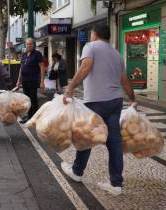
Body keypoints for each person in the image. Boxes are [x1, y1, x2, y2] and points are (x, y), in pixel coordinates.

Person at [62, 25, 135, 196]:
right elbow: (124, 79)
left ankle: (77, 171)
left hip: (96, 101)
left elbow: (85, 67)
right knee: (114, 143)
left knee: (86, 137)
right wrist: (132, 98)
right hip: (116, 101)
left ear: (94, 34)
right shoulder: (117, 53)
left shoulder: (90, 46)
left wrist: (70, 87)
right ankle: (116, 184)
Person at [16, 38, 45, 122]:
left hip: (33, 80)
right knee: (26, 99)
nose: (29, 45)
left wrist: (42, 81)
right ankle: (29, 115)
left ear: (33, 45)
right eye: (27, 44)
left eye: (30, 44)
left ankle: (34, 117)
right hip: (24, 80)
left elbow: (42, 67)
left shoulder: (37, 54)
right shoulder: (24, 54)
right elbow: (21, 68)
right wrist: (18, 81)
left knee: (33, 98)